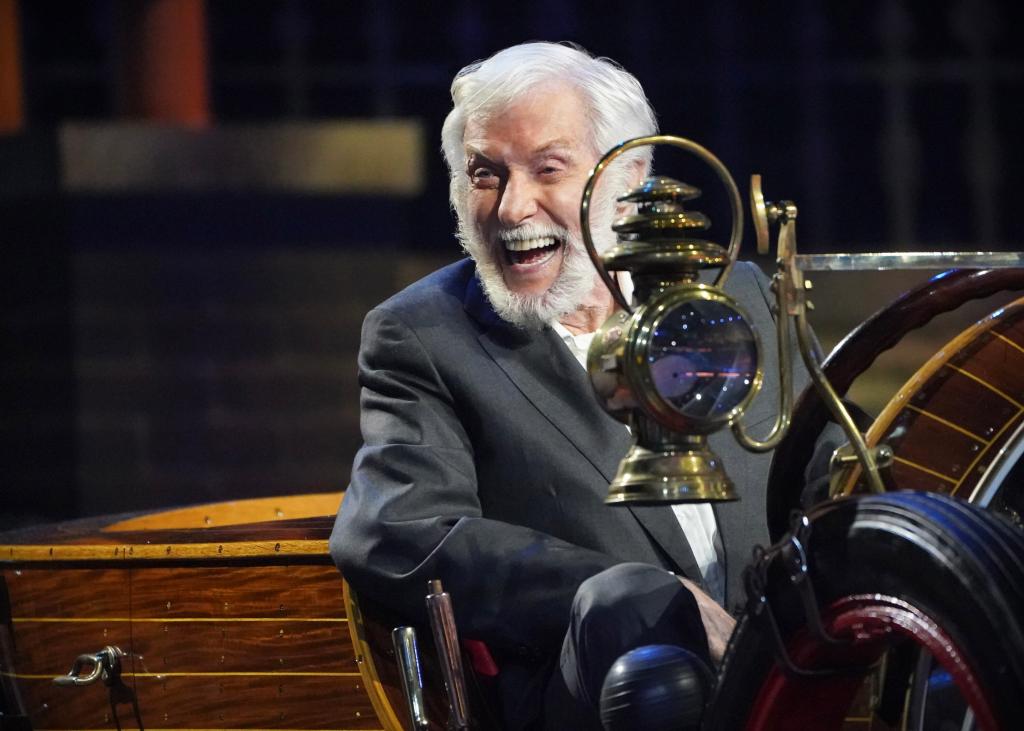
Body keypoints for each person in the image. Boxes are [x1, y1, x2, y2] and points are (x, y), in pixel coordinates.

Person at [331, 41, 806, 730]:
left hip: (782, 683)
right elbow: (390, 532)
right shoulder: (425, 335)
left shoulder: (736, 300)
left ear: (632, 175)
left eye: (547, 169)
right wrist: (629, 591)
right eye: (485, 175)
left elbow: (833, 476)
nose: (511, 207)